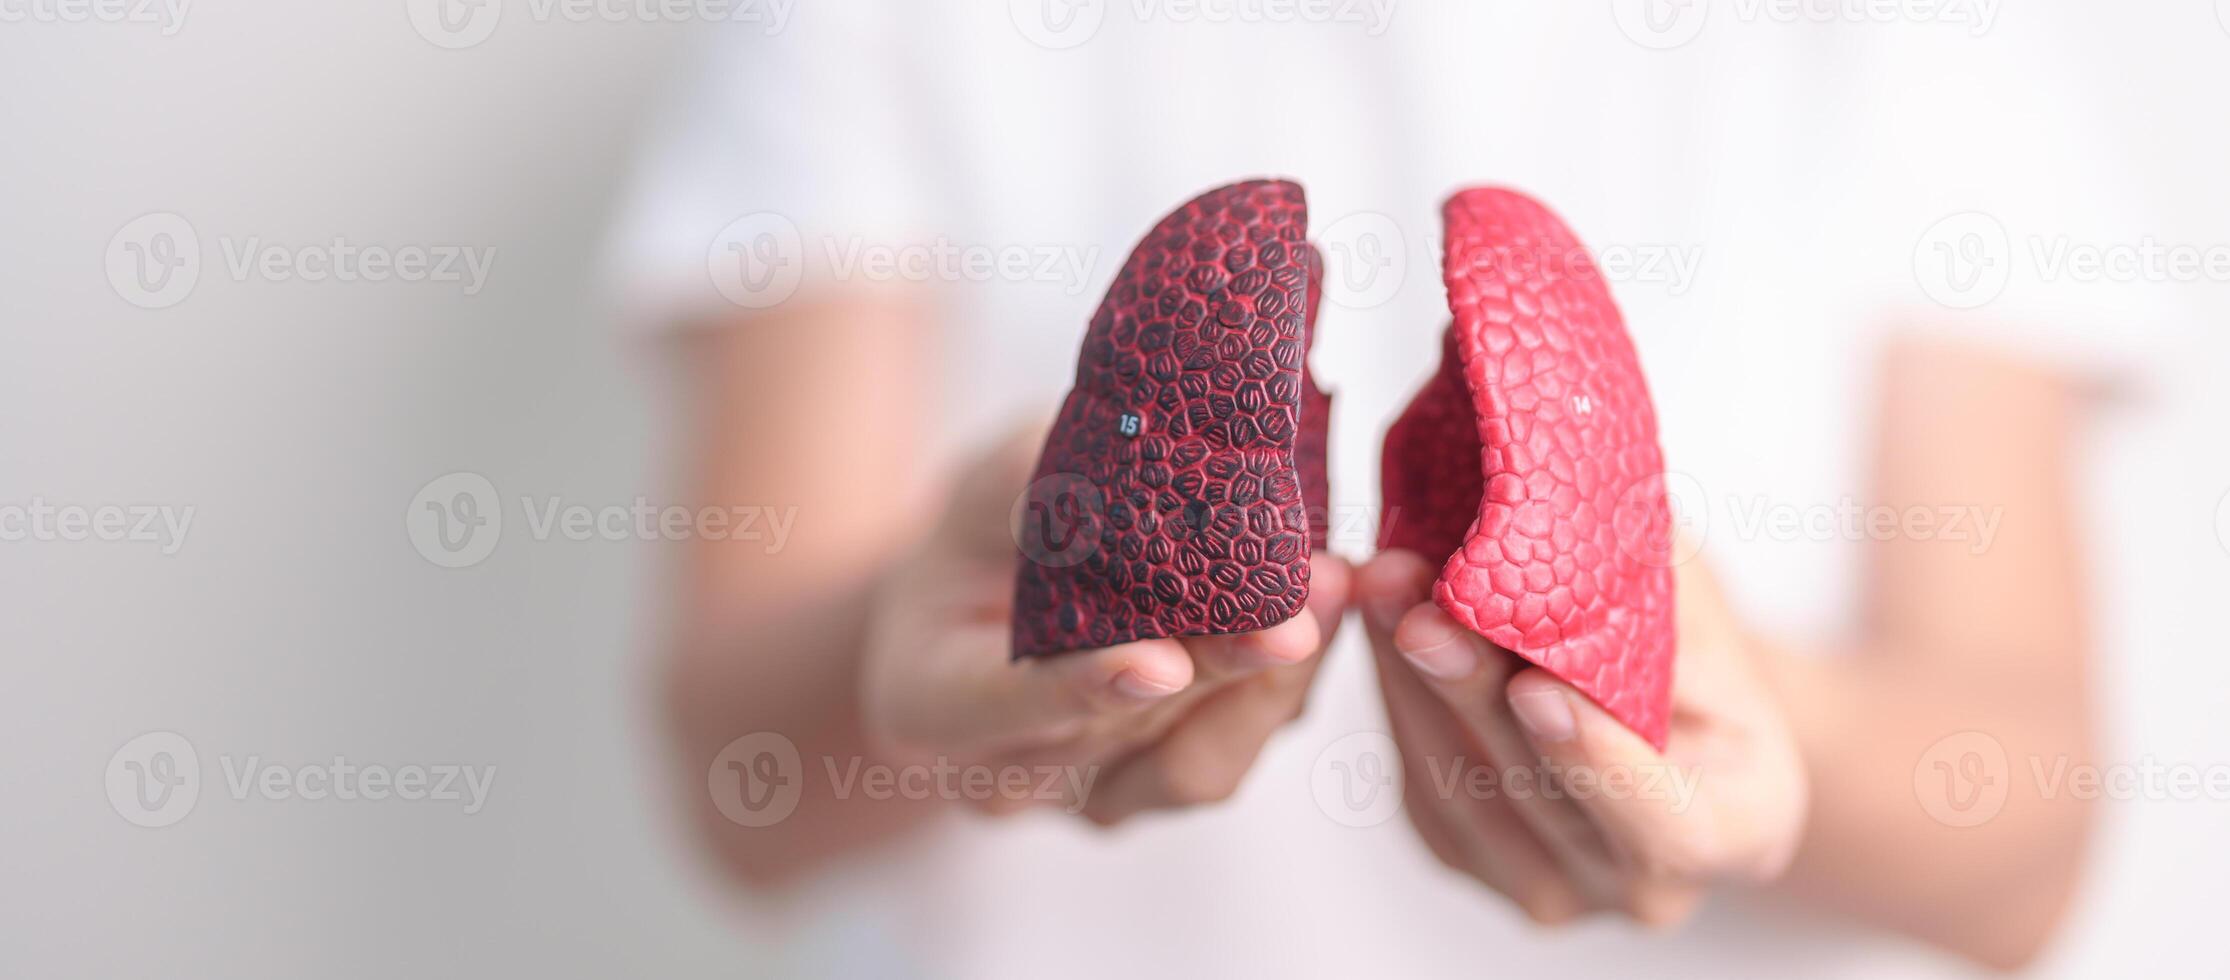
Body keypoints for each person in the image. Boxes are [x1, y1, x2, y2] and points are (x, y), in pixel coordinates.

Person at [610, 5, 2164, 975]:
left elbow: (2024, 851)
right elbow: (736, 787)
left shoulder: (1911, 38)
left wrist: (1735, 712)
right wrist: (928, 639)